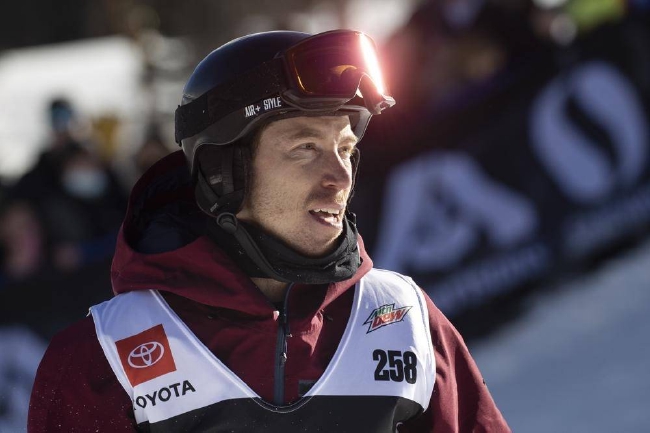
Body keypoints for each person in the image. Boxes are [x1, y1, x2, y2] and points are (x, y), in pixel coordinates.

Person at [28, 30, 510, 432]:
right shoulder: (104, 356)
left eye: (345, 150)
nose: (340, 177)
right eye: (305, 148)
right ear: (223, 172)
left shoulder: (406, 320)